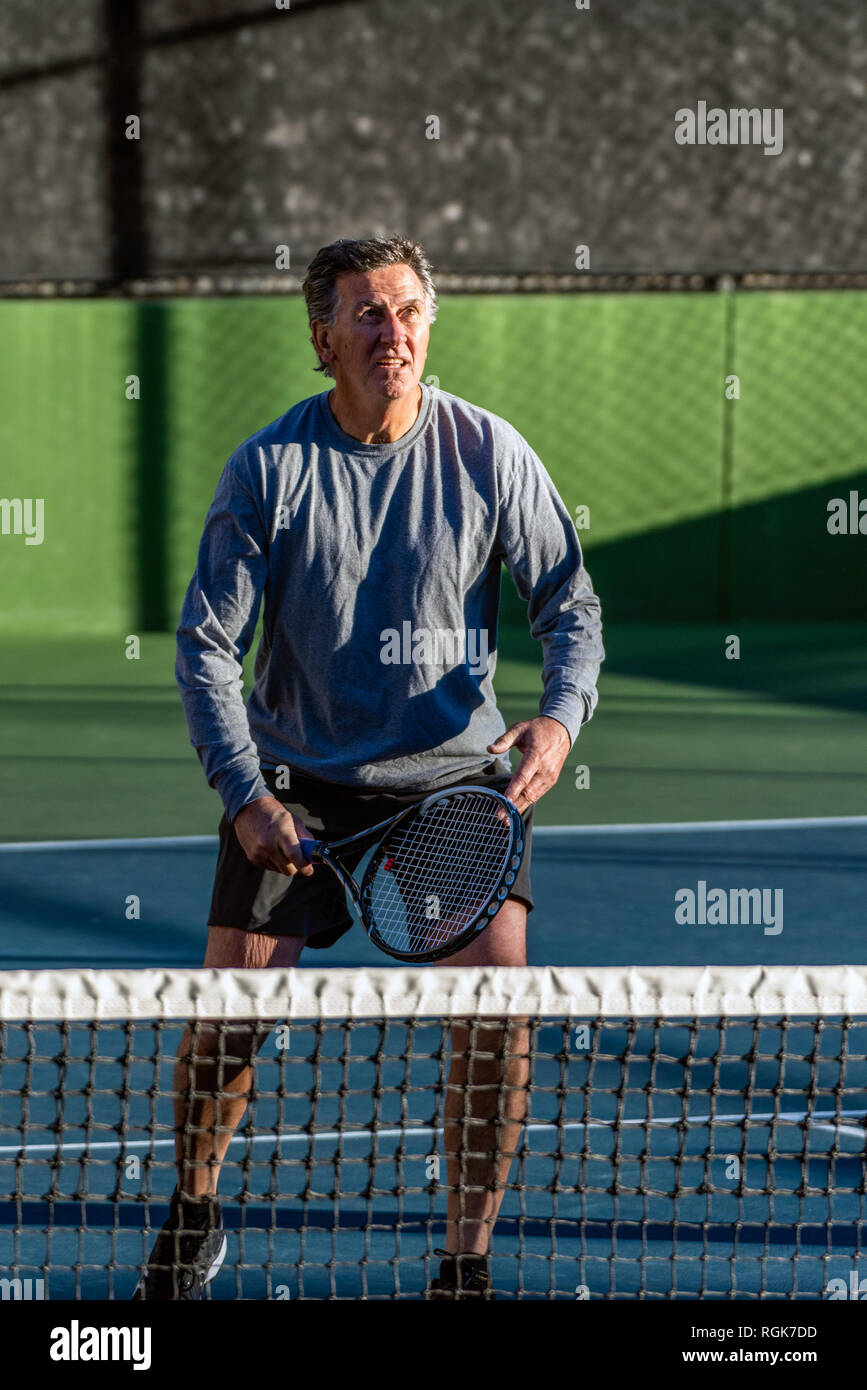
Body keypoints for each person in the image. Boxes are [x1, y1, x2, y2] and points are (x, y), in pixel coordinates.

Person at [133, 235, 604, 1300]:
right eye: (366, 314)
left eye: (406, 311)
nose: (391, 332)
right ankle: (196, 1205)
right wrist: (245, 792)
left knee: (496, 1015)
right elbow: (208, 646)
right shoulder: (270, 468)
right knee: (229, 1019)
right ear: (323, 338)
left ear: (429, 325)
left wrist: (560, 723)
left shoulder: (490, 454)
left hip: (450, 784)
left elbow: (569, 606)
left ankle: (462, 1265)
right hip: (295, 785)